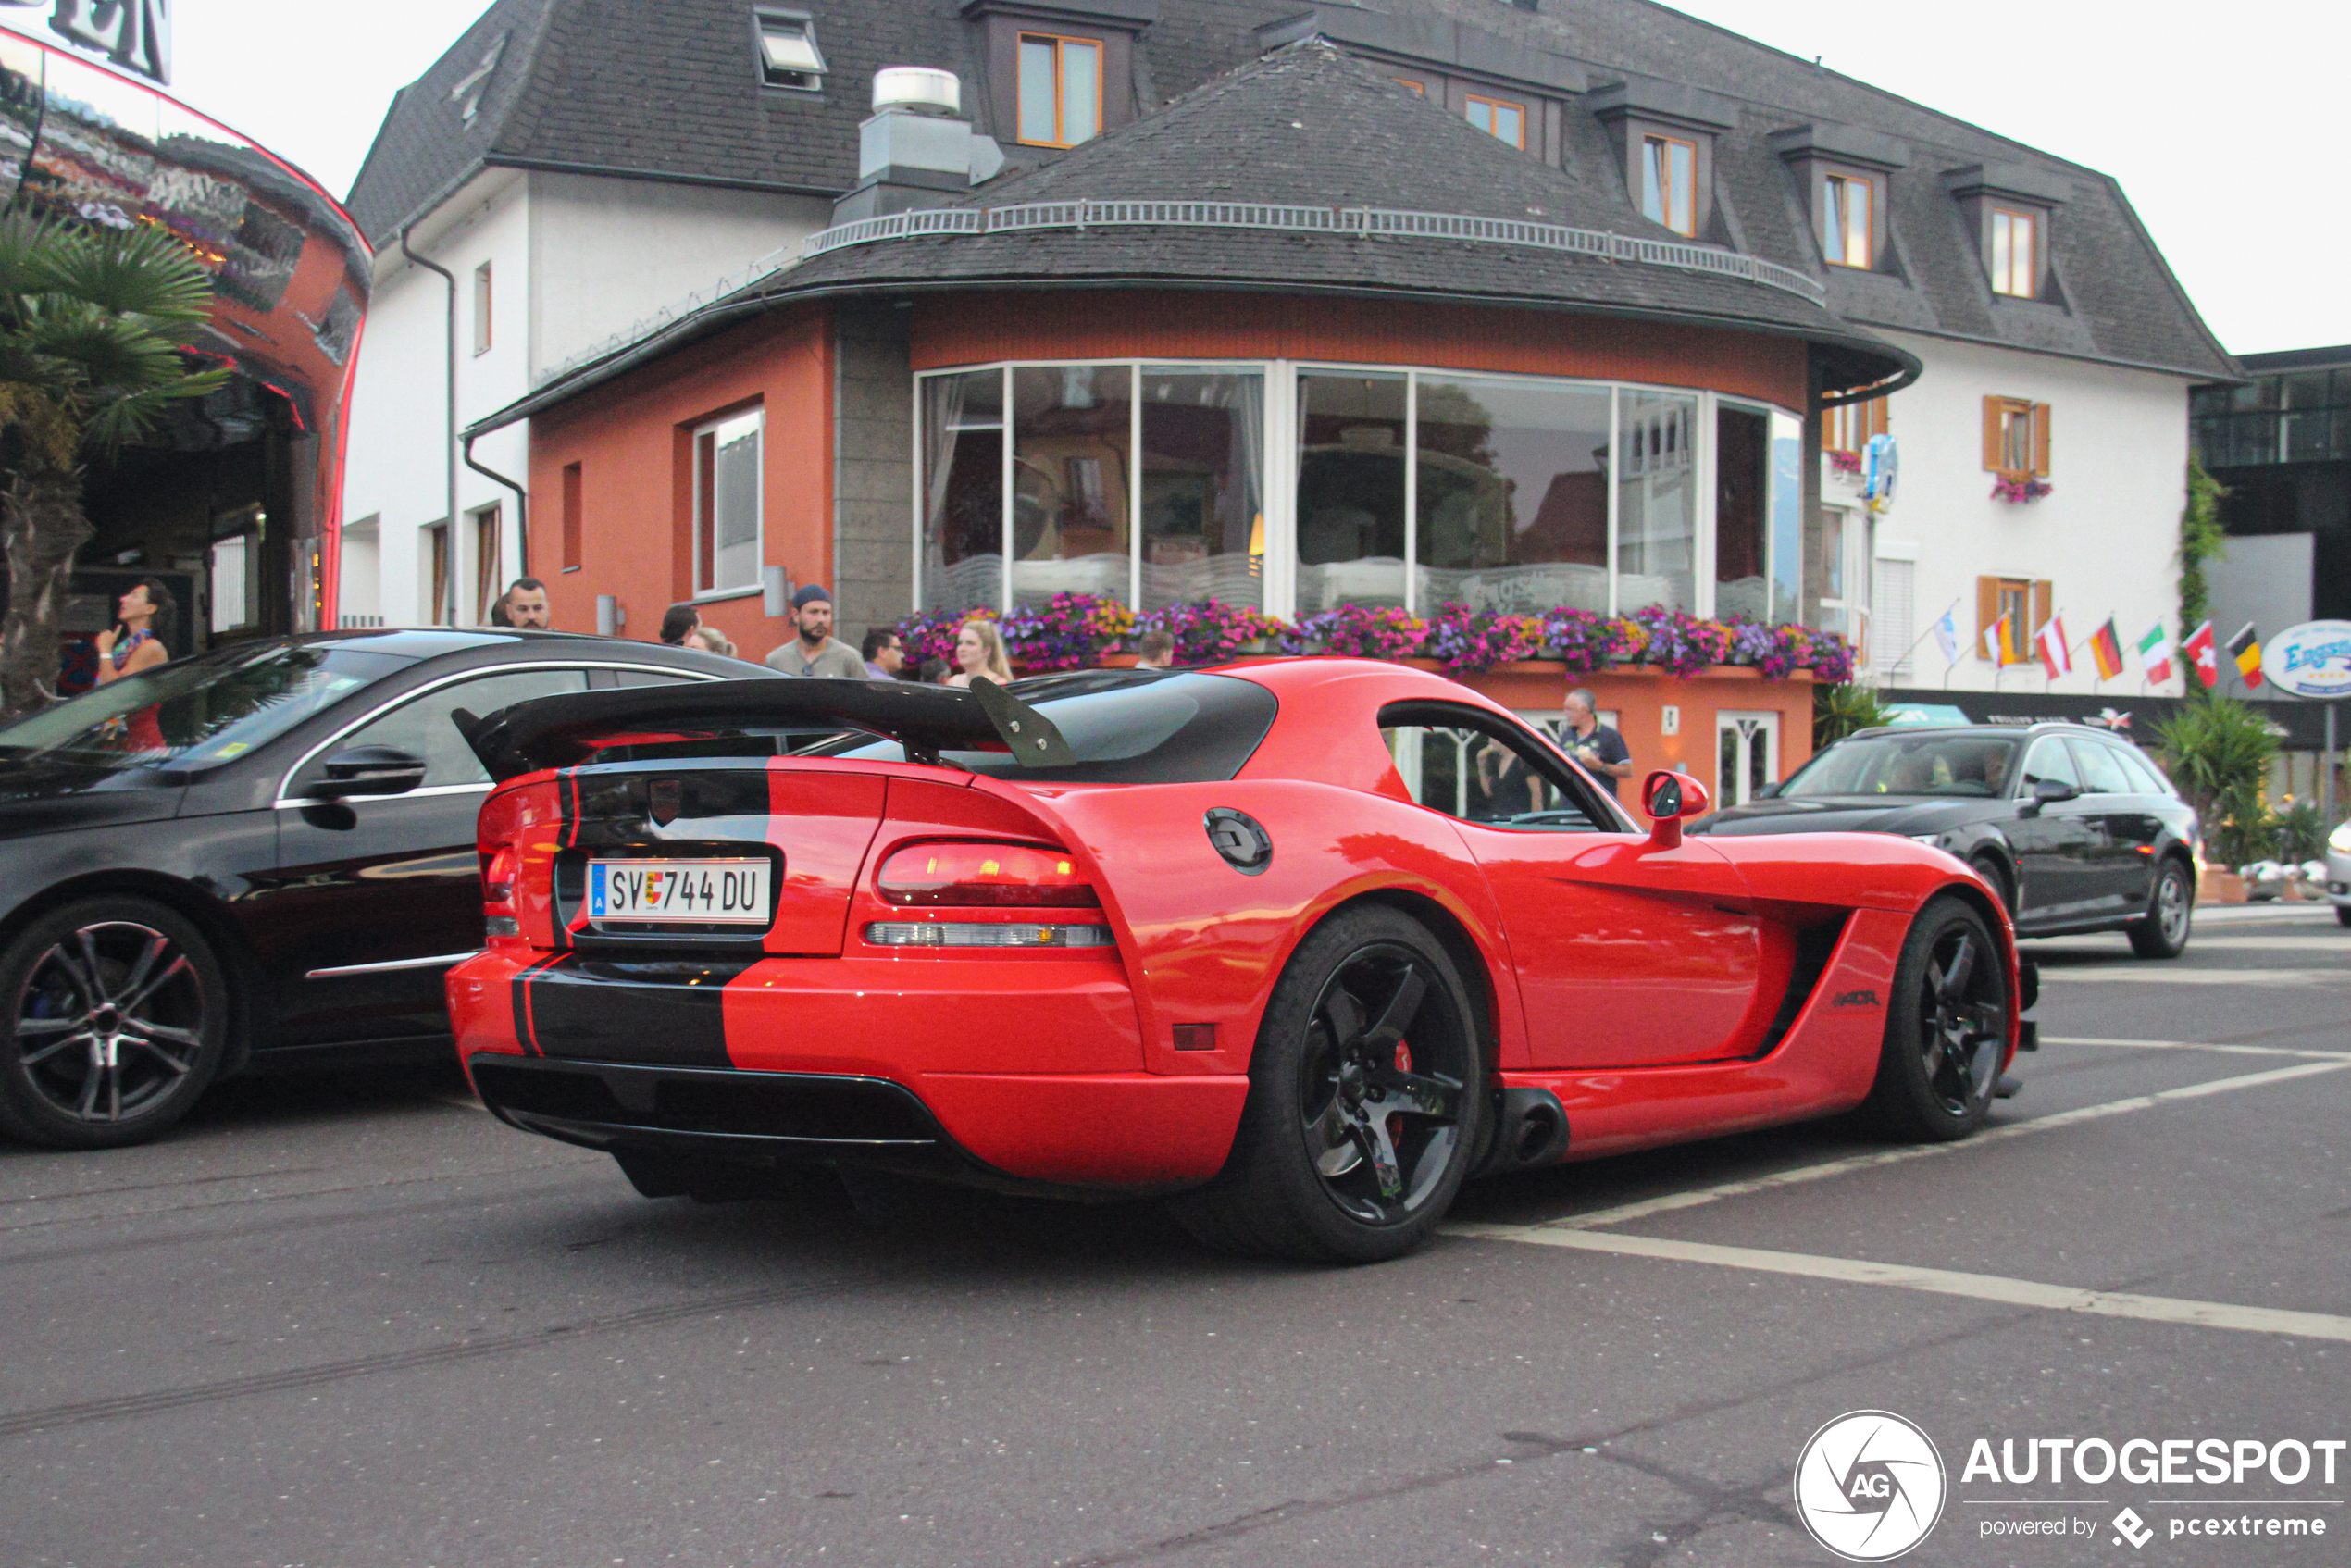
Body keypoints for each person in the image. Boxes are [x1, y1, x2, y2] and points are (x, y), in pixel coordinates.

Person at [765, 585, 865, 678]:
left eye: (825, 613)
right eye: (813, 612)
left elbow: (867, 696)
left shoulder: (848, 658)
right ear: (796, 615)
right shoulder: (776, 660)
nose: (821, 619)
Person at [93, 578, 173, 684]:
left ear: (150, 608)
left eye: (133, 595)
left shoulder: (151, 647)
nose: (123, 599)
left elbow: (112, 689)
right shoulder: (127, 646)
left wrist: (105, 649)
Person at [1560, 687, 1633, 798]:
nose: (1565, 713)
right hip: (1570, 806)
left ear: (1584, 710)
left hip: (1598, 806)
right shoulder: (1567, 735)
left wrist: (1600, 766)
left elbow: (1627, 770)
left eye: (1569, 709)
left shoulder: (1609, 736)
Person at [944, 618, 1014, 688]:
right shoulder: (953, 682)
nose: (962, 649)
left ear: (986, 650)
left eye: (970, 643)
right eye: (960, 643)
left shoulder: (999, 685)